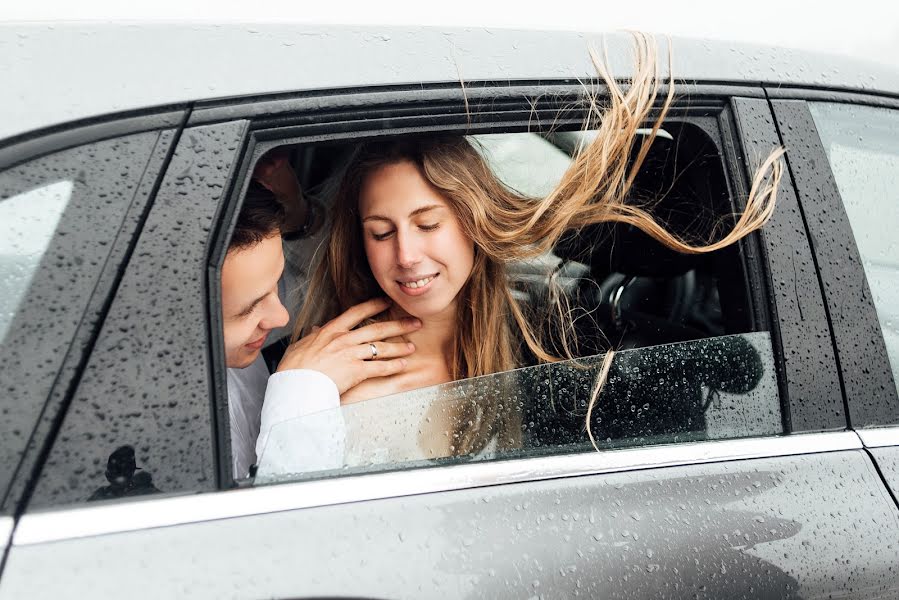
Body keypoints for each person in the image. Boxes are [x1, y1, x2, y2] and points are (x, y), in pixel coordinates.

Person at [254, 33, 785, 471]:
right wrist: (302, 395)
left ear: (471, 221)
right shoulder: (349, 389)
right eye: (380, 232)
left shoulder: (532, 333)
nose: (407, 255)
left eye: (428, 223)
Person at [222, 185, 421, 478]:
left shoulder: (232, 343)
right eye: (247, 310)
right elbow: (286, 520)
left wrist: (303, 215)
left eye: (277, 283)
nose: (281, 317)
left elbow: (310, 286)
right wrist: (302, 392)